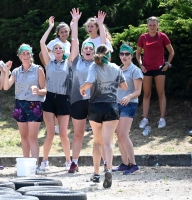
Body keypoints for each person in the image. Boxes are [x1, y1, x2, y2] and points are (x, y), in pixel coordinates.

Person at [80, 44, 127, 188]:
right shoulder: (116, 68)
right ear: (109, 55)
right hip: (111, 107)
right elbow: (124, 86)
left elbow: (89, 83)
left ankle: (95, 174)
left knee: (97, 142)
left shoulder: (94, 66)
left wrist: (82, 88)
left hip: (95, 107)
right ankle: (108, 169)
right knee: (108, 142)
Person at [67, 8, 106, 173]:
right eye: (85, 49)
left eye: (91, 49)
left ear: (94, 51)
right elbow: (74, 40)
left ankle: (105, 162)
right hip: (77, 100)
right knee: (78, 134)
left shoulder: (98, 62)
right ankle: (74, 162)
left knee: (99, 136)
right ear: (82, 51)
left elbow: (103, 44)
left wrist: (101, 26)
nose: (88, 50)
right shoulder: (76, 61)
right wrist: (75, 22)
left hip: (95, 101)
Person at [3, 44, 46, 174]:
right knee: (24, 136)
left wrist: (39, 91)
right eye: (23, 54)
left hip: (34, 105)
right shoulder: (16, 71)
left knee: (32, 137)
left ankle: (35, 165)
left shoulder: (38, 69)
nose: (26, 56)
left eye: (28, 54)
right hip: (20, 104)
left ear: (31, 55)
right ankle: (26, 164)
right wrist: (5, 72)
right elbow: (6, 87)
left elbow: (45, 90)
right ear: (19, 56)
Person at [40, 16, 72, 171]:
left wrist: (74, 23)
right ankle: (44, 161)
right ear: (52, 51)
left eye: (61, 48)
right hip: (50, 98)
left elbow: (77, 45)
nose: (58, 50)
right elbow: (41, 43)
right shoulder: (48, 63)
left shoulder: (69, 63)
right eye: (56, 48)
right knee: (50, 133)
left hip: (63, 98)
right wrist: (50, 27)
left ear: (64, 51)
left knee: (64, 134)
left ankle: (68, 161)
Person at [136, 16, 175, 129]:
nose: (152, 27)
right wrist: (141, 64)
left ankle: (162, 119)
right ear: (147, 26)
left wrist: (168, 64)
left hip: (160, 68)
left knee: (160, 93)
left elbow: (171, 52)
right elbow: (138, 54)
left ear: (157, 25)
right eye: (150, 25)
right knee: (146, 94)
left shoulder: (162, 36)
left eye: (154, 25)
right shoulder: (143, 37)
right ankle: (145, 119)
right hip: (146, 69)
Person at [113, 43, 143, 175]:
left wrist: (128, 97)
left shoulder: (135, 70)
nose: (124, 56)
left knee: (124, 135)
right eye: (122, 54)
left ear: (131, 56)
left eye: (127, 54)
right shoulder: (117, 69)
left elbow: (138, 91)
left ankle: (134, 165)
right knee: (119, 136)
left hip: (129, 104)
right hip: (117, 104)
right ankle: (125, 163)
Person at [39, 22, 71, 135]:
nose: (64, 33)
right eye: (61, 32)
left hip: (64, 75)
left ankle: (59, 126)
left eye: (66, 31)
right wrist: (48, 68)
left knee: (62, 98)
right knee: (52, 97)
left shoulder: (69, 44)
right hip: (52, 72)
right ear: (58, 33)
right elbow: (41, 52)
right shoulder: (53, 42)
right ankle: (55, 126)